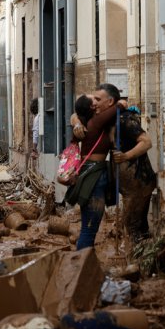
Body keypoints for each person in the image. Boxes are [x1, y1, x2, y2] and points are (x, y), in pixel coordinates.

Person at [66, 88, 118, 250]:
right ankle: (82, 266)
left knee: (89, 226)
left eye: (97, 99)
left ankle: (84, 265)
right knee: (89, 228)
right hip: (94, 176)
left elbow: (74, 116)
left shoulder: (86, 123)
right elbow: (117, 108)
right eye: (93, 101)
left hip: (91, 173)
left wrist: (75, 120)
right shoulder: (95, 122)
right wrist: (122, 103)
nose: (96, 102)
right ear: (91, 108)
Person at [110, 103, 156, 244]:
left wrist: (126, 156)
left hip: (139, 180)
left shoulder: (125, 119)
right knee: (135, 226)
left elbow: (146, 142)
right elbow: (77, 115)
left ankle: (136, 261)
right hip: (128, 184)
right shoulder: (107, 120)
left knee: (133, 227)